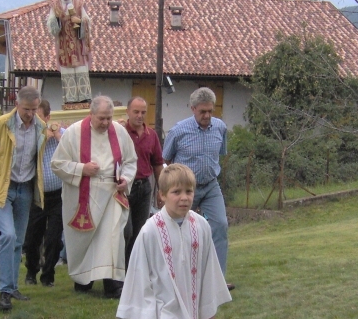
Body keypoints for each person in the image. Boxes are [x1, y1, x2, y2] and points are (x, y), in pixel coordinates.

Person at [116, 164, 231, 319]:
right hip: (160, 316)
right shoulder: (150, 232)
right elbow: (138, 275)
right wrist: (138, 318)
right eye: (176, 192)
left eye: (188, 192)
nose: (183, 198)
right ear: (162, 195)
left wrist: (208, 307)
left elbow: (209, 270)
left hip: (188, 313)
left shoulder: (201, 227)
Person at [51, 95, 137, 298]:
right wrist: (82, 168)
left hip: (111, 193)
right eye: (101, 119)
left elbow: (131, 161)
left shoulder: (119, 131)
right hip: (84, 194)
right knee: (86, 239)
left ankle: (113, 284)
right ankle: (84, 279)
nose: (106, 123)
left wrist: (125, 179)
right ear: (91, 114)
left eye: (109, 118)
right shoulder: (73, 133)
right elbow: (57, 164)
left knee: (113, 237)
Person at [0, 86, 46, 311]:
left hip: (25, 188)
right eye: (27, 109)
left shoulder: (40, 127)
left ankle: (14, 286)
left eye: (34, 109)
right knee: (7, 235)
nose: (30, 114)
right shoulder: (1, 124)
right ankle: (4, 290)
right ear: (17, 105)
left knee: (18, 240)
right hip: (3, 188)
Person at [162, 87, 234, 291]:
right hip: (184, 189)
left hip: (211, 185)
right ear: (192, 109)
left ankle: (217, 280)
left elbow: (221, 154)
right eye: (202, 111)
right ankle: (178, 278)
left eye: (210, 111)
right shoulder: (178, 130)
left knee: (220, 225)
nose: (207, 116)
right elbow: (165, 159)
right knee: (179, 229)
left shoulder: (220, 128)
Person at [23, 100, 65, 287]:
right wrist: (43, 140)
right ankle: (31, 271)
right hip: (37, 194)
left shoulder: (60, 134)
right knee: (32, 238)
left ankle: (48, 275)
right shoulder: (29, 136)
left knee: (54, 238)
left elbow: (74, 151)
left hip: (58, 194)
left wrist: (56, 136)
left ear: (48, 117)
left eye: (40, 118)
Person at [123, 97, 164, 271]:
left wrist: (162, 189)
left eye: (143, 112)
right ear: (128, 112)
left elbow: (157, 164)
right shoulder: (120, 132)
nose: (140, 116)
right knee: (126, 231)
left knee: (140, 232)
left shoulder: (151, 135)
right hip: (124, 188)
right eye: (136, 112)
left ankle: (133, 271)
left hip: (144, 186)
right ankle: (120, 270)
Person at [47, 0, 92, 103]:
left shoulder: (78, 4)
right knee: (67, 71)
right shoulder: (55, 6)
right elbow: (51, 26)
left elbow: (87, 21)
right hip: (64, 45)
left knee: (81, 69)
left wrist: (80, 21)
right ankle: (70, 98)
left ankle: (84, 97)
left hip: (78, 44)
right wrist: (56, 20)